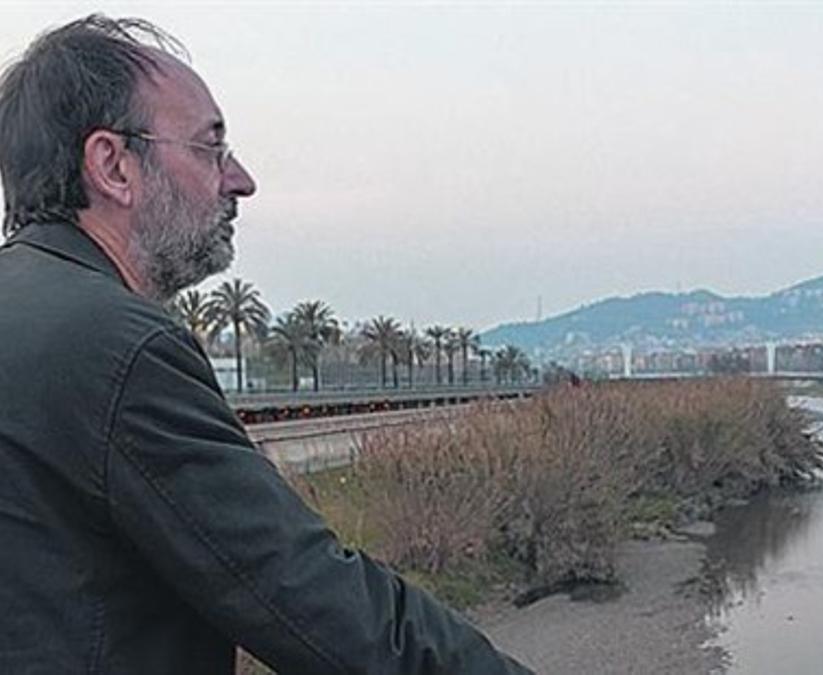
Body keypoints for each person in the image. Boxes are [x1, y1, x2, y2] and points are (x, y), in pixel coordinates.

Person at [0, 15, 530, 674]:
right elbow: (310, 597)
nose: (240, 178)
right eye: (210, 147)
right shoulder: (120, 349)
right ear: (114, 165)